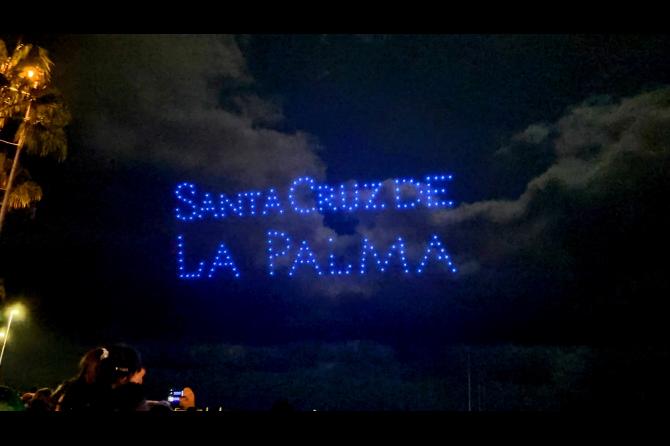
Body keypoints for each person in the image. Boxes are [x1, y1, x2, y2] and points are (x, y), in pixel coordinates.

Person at [55, 344, 148, 411]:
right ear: (123, 378)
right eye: (137, 372)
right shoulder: (131, 398)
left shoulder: (71, 393)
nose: (140, 380)